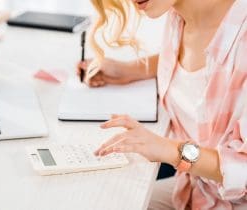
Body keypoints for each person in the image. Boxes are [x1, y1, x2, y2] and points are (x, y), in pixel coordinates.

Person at [77, 0, 247, 209]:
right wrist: (131, 70)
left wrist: (170, 150)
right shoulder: (178, 15)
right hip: (197, 193)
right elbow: (207, 63)